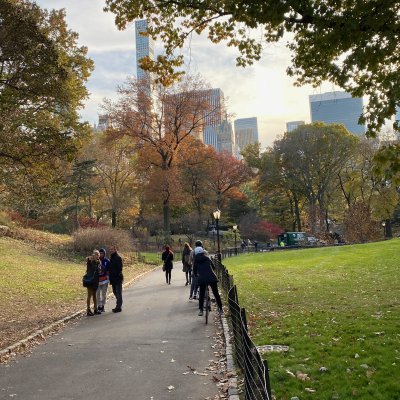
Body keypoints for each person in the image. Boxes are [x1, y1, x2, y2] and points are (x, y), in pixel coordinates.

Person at [192, 240, 223, 316]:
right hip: (211, 278)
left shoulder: (195, 261)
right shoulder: (207, 258)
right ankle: (220, 309)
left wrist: (196, 275)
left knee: (201, 294)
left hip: (202, 279)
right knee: (216, 293)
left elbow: (194, 271)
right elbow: (213, 267)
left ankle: (201, 310)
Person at [108, 245, 123, 313]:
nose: (111, 250)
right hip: (113, 278)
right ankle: (119, 303)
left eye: (112, 249)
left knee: (118, 293)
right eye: (110, 249)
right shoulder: (112, 257)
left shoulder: (118, 257)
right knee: (114, 292)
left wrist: (115, 274)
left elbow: (120, 268)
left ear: (115, 250)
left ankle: (118, 307)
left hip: (118, 278)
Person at [86, 249, 101, 316]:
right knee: (89, 295)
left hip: (95, 280)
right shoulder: (90, 261)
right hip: (90, 280)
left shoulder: (98, 262)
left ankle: (95, 309)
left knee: (94, 294)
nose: (97, 256)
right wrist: (93, 260)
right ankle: (88, 310)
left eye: (98, 254)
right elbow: (91, 269)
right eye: (96, 254)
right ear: (93, 255)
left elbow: (98, 271)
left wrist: (99, 267)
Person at [96, 248, 110, 312]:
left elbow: (108, 271)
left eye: (102, 253)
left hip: (105, 281)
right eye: (100, 253)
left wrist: (108, 278)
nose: (101, 254)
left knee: (104, 295)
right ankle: (99, 306)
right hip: (97, 281)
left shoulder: (107, 261)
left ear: (104, 254)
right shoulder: (96, 261)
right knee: (97, 294)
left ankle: (103, 305)